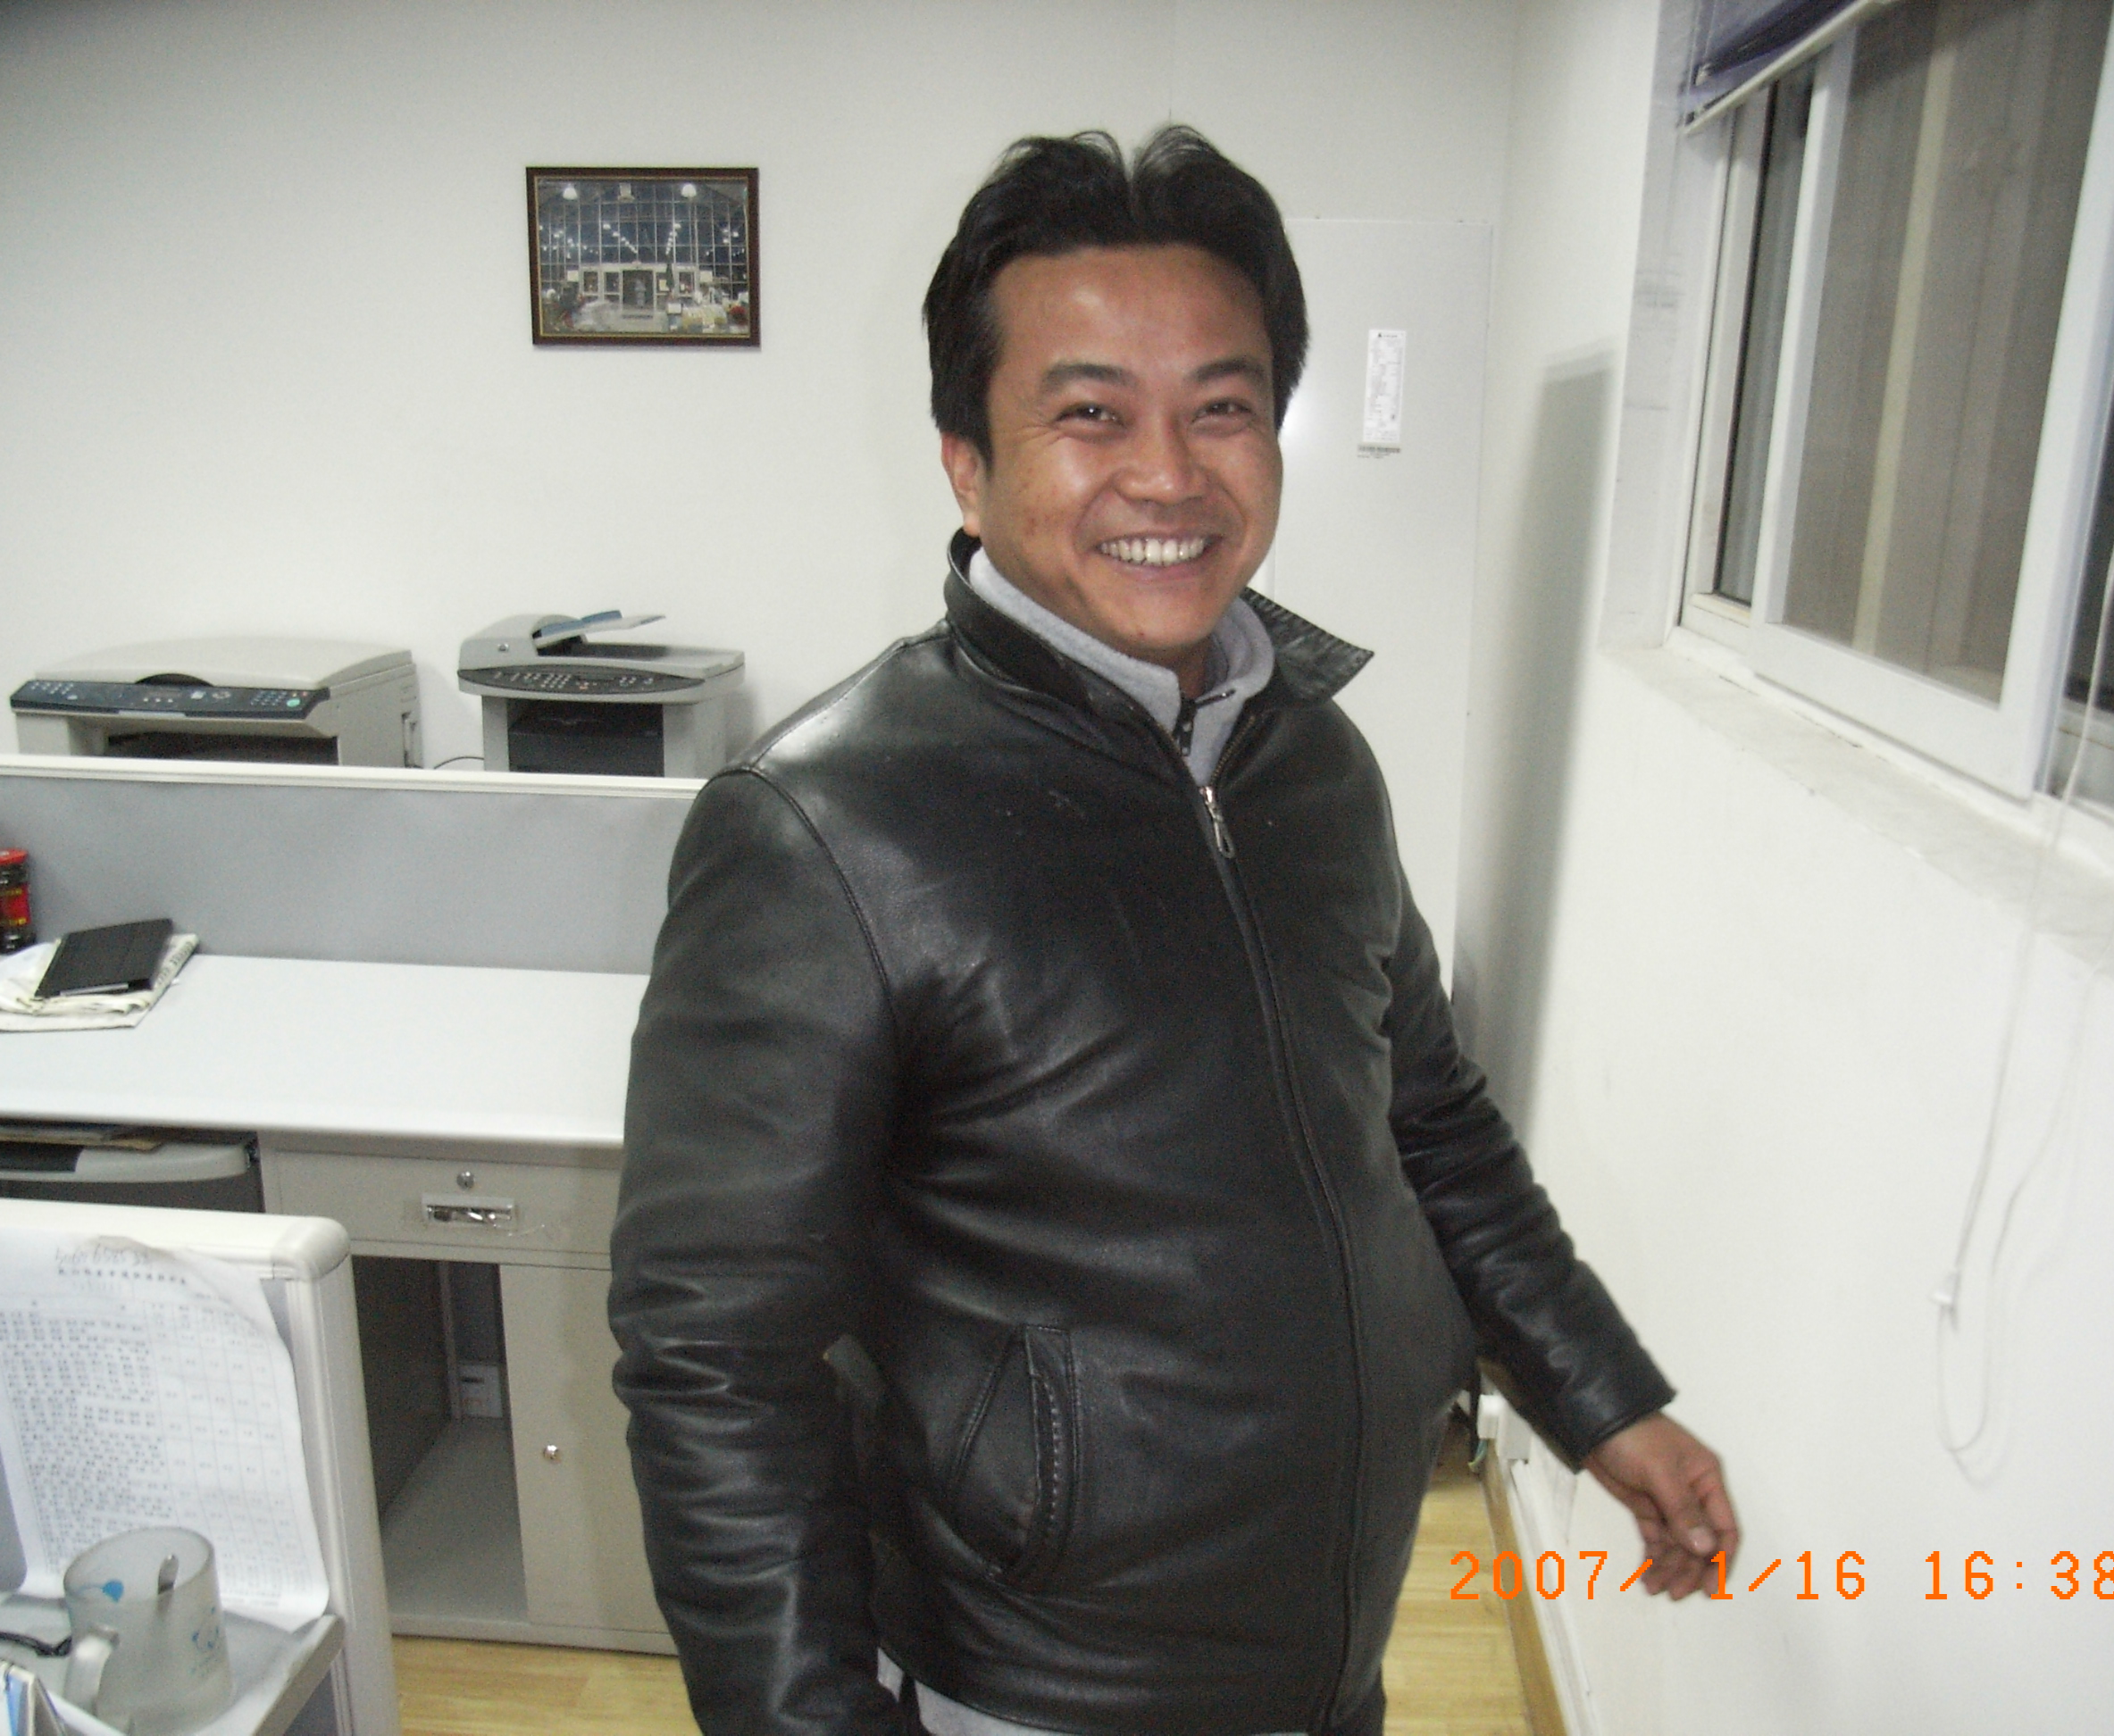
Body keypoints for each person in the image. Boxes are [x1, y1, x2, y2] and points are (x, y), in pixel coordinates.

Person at [609, 124, 1739, 1736]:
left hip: (1329, 1659)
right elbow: (716, 1364)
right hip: (1040, 1689)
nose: (1168, 475)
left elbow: (1432, 1125)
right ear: (965, 460)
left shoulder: (1315, 761)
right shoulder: (824, 829)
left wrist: (1605, 1399)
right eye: (1089, 413)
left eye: (1222, 407)